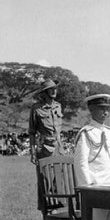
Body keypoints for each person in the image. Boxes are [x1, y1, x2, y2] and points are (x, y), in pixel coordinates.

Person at [29, 78, 65, 211]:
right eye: (51, 89)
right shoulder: (36, 109)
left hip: (59, 147)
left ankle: (57, 207)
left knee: (59, 180)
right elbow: (32, 132)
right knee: (45, 180)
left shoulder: (58, 106)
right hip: (45, 148)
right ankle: (45, 209)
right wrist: (33, 152)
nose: (54, 91)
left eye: (55, 88)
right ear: (44, 92)